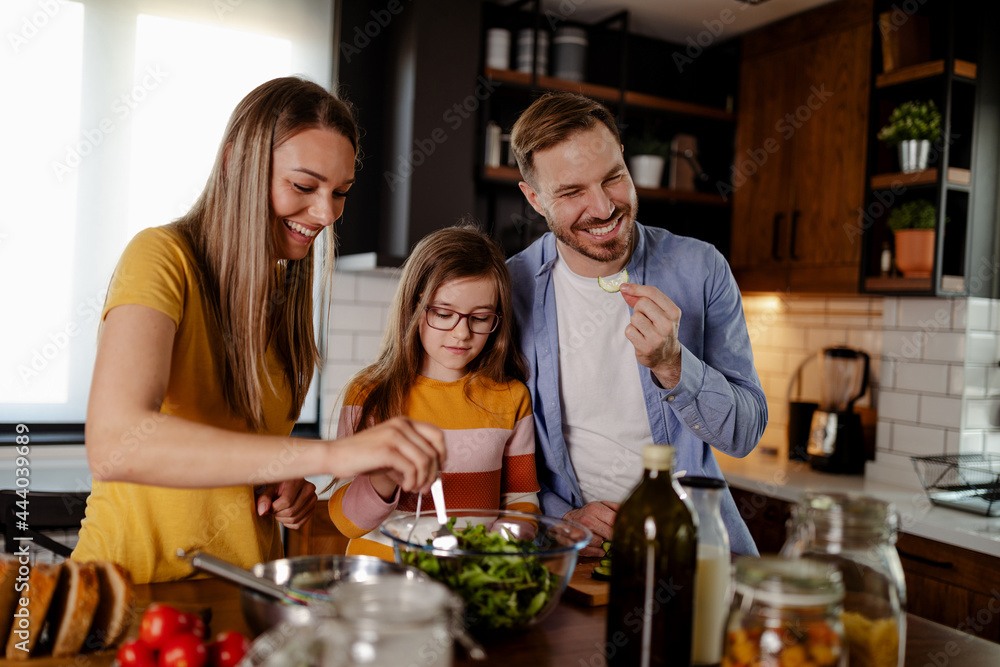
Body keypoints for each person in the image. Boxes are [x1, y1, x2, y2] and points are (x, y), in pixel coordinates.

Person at [73, 77, 446, 583]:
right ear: (235, 163)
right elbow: (116, 442)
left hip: (243, 594)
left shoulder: (286, 290)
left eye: (339, 193)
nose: (325, 213)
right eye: (303, 185)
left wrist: (285, 480)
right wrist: (332, 454)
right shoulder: (160, 258)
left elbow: (237, 455)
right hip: (131, 591)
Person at [507, 92, 766, 557]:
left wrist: (673, 366)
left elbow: (744, 433)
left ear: (625, 161)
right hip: (575, 558)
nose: (603, 208)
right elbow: (497, 446)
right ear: (534, 198)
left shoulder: (701, 268)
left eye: (613, 179)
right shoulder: (510, 289)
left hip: (692, 553)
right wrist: (556, 518)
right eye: (571, 193)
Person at [328, 224, 540, 560]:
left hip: (467, 580)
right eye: (444, 314)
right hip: (381, 577)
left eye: (481, 318)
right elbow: (346, 522)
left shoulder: (511, 398)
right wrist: (385, 476)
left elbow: (521, 503)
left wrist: (493, 548)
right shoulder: (370, 394)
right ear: (414, 307)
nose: (462, 333)